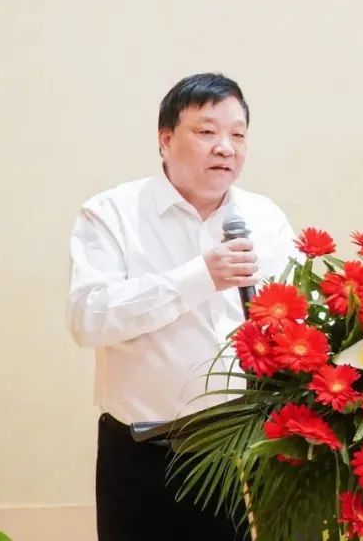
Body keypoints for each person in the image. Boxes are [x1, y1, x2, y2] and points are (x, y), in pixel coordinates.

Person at [66, 73, 297, 540]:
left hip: (242, 453)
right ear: (165, 139)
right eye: (207, 131)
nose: (225, 148)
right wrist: (199, 277)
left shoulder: (265, 218)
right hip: (145, 455)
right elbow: (88, 318)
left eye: (238, 135)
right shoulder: (112, 213)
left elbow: (295, 320)